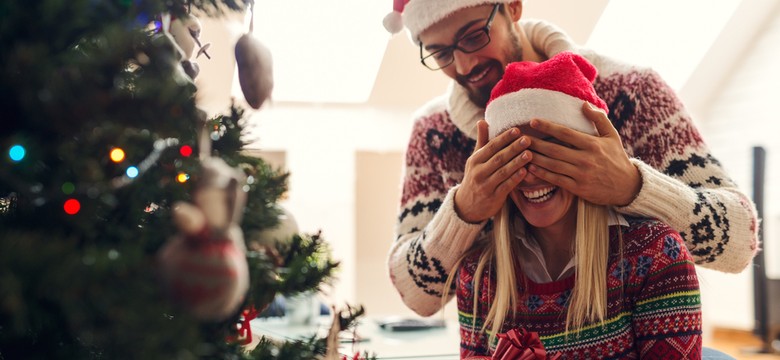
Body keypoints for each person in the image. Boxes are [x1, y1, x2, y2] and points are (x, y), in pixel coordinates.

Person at [383, 0, 759, 318]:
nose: (464, 66)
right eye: (441, 52)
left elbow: (740, 240)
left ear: (512, 6)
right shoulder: (435, 134)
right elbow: (417, 298)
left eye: (473, 36)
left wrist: (633, 187)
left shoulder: (633, 91)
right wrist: (464, 211)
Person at [445, 51, 702, 358]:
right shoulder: (479, 274)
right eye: (514, 155)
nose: (530, 175)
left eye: (549, 152)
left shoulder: (656, 257)